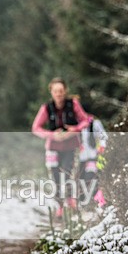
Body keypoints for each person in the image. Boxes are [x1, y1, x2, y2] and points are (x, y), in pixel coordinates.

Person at [31, 78, 90, 216]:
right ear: (51, 92)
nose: (59, 94)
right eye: (56, 91)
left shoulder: (73, 104)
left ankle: (71, 201)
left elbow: (86, 120)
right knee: (55, 176)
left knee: (69, 173)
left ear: (65, 91)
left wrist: (74, 130)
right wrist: (51, 135)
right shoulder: (46, 108)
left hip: (71, 145)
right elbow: (35, 128)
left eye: (61, 91)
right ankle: (60, 206)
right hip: (53, 147)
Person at [78, 114, 108, 207]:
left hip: (93, 156)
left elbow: (103, 136)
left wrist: (102, 146)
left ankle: (95, 201)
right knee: (80, 180)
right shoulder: (76, 126)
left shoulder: (95, 124)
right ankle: (83, 203)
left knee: (90, 178)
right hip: (81, 158)